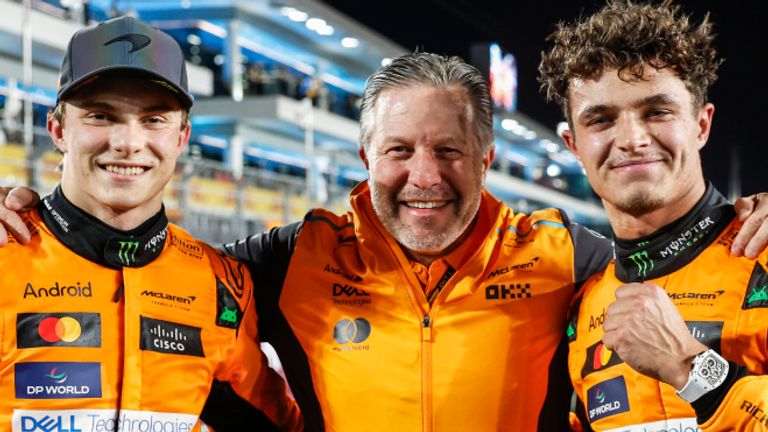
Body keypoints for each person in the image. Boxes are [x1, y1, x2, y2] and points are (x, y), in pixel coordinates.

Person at [3, 51, 768, 431]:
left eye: (449, 150)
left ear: (488, 158)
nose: (424, 175)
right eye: (398, 151)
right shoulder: (291, 256)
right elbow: (150, 265)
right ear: (365, 158)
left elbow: (668, 241)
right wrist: (37, 220)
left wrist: (749, 219)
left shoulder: (571, 256)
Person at [0, 16, 300, 431]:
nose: (127, 142)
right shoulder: (5, 253)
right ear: (58, 129)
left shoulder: (221, 283)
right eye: (100, 116)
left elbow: (274, 422)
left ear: (181, 138)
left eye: (154, 119)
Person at [539, 1, 768, 430]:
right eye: (602, 119)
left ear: (701, 125)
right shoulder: (578, 307)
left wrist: (692, 370)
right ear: (574, 146)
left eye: (656, 112)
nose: (631, 139)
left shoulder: (763, 250)